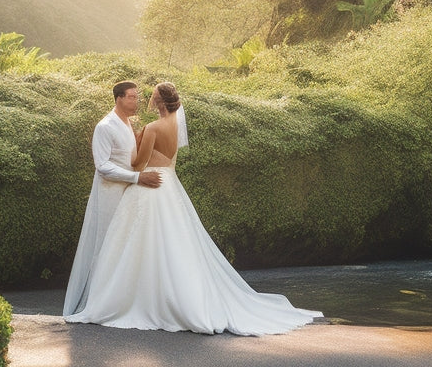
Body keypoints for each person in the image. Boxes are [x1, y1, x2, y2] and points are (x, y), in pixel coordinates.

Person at [64, 82, 322, 335]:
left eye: (150, 96)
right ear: (119, 98)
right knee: (172, 242)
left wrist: (140, 142)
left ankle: (141, 298)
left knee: (140, 243)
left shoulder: (151, 127)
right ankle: (173, 296)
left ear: (160, 102)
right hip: (168, 184)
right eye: (135, 97)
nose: (144, 100)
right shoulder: (172, 125)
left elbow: (137, 162)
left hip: (149, 184)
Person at [62, 81, 162, 318]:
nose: (136, 101)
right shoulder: (105, 126)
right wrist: (137, 177)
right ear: (118, 98)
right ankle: (95, 303)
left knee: (124, 246)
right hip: (109, 194)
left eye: (137, 97)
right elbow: (103, 166)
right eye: (132, 97)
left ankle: (119, 301)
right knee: (106, 245)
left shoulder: (128, 123)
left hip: (128, 193)